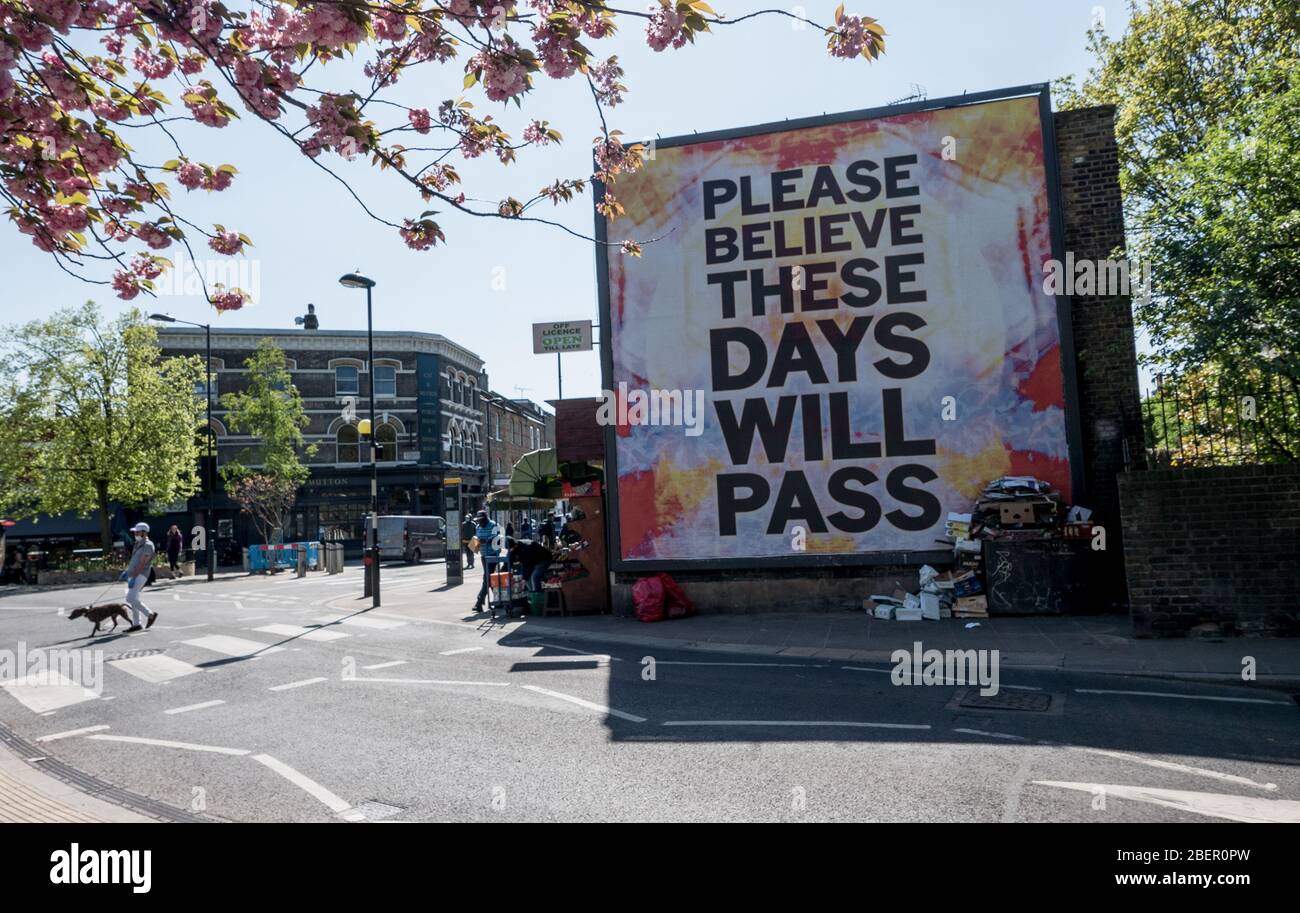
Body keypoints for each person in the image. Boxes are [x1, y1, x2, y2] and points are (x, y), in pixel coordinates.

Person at [119, 522, 158, 632]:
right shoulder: (138, 543)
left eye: (137, 532)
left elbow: (142, 563)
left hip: (140, 574)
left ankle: (150, 614)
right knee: (134, 599)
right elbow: (134, 561)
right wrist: (127, 571)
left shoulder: (148, 545)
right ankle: (137, 624)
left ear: (144, 532)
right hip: (133, 574)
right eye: (134, 532)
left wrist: (134, 576)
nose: (135, 533)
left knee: (130, 598)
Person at [472, 510, 502, 613]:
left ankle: (479, 602)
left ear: (485, 519)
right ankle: (499, 599)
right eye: (478, 521)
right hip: (483, 555)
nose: (479, 523)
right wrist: (475, 543)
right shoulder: (478, 527)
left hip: (493, 555)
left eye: (481, 521)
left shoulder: (494, 525)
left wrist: (487, 541)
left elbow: (497, 539)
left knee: (487, 578)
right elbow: (477, 539)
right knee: (489, 578)